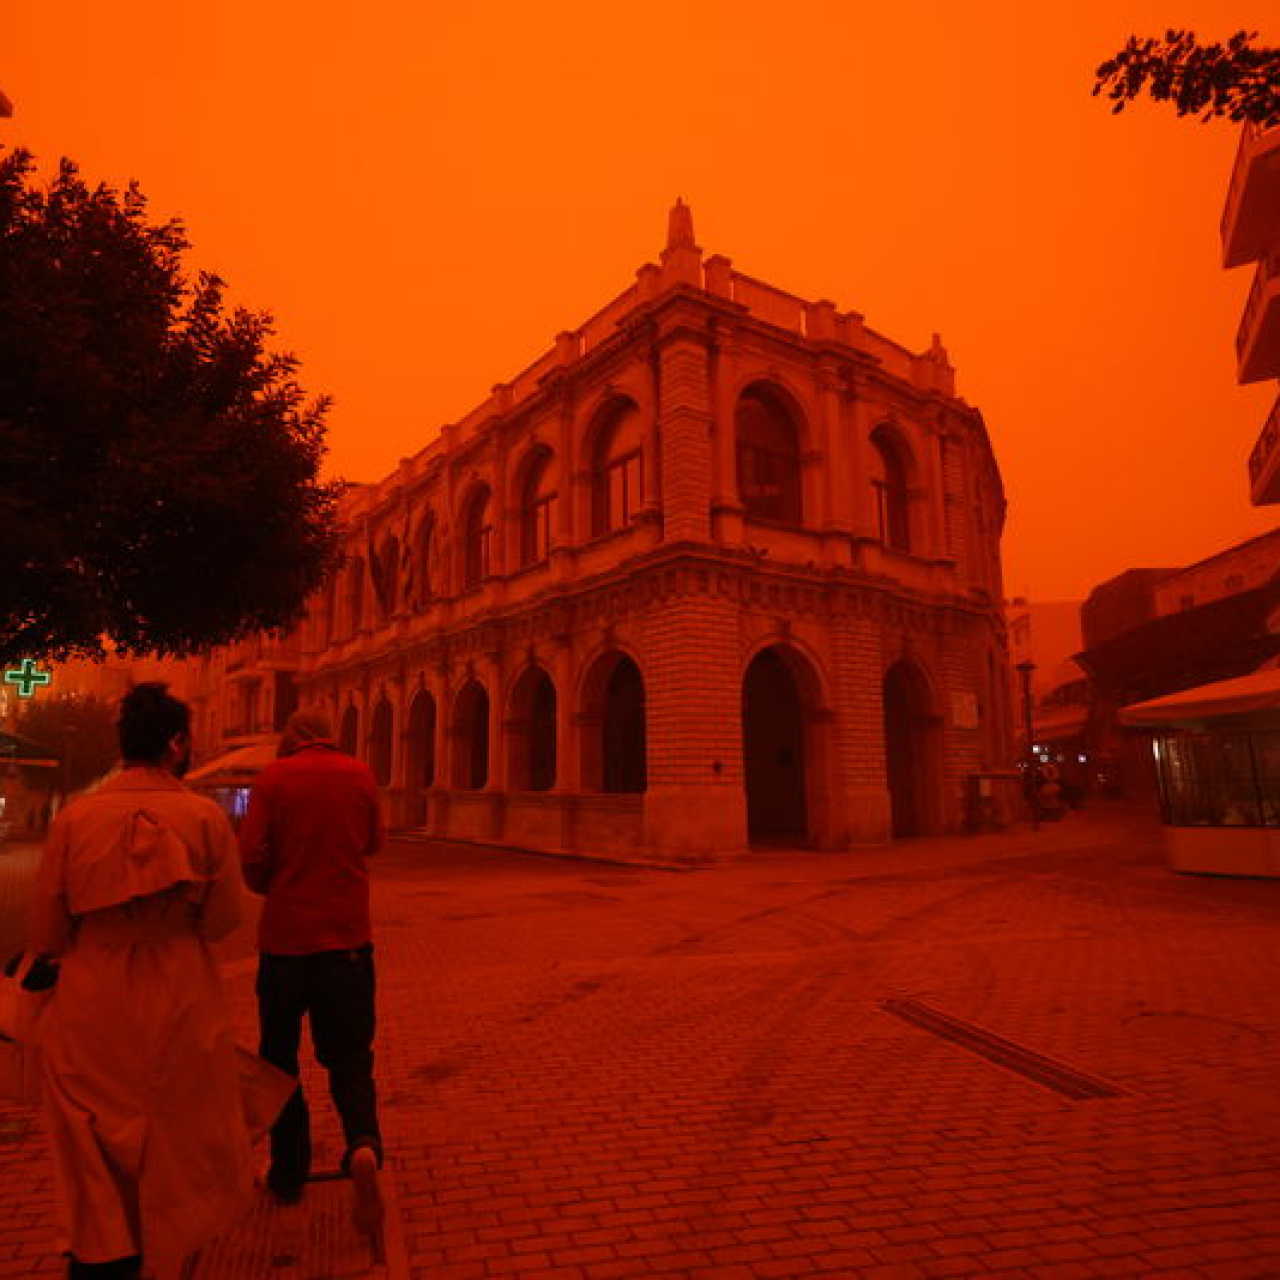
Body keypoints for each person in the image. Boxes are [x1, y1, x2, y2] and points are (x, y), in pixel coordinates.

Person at [26, 683, 263, 1280]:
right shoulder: (205, 816)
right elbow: (225, 920)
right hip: (181, 990)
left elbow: (49, 931)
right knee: (178, 1134)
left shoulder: (75, 817)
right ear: (177, 744)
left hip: (93, 997)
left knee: (93, 1143)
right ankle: (168, 1253)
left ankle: (103, 1253)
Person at [238, 707, 386, 1252]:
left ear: (290, 737)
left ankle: (289, 1171)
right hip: (347, 939)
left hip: (285, 944)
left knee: (278, 1060)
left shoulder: (272, 778)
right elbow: (374, 842)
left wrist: (272, 882)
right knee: (350, 1055)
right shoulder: (359, 772)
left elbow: (250, 855)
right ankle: (363, 1144)